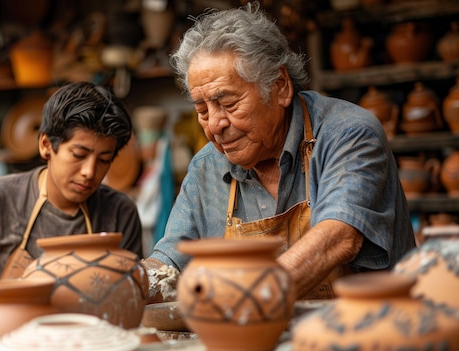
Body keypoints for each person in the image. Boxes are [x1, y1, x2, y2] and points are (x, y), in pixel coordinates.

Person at [142, 2, 415, 301]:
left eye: (229, 104)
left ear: (280, 86)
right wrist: (128, 281)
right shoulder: (207, 167)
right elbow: (168, 266)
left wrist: (247, 304)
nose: (215, 124)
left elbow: (338, 238)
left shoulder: (347, 133)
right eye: (202, 109)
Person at [0, 82, 143, 285]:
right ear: (46, 145)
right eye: (78, 154)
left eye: (103, 160)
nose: (89, 172)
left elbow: (133, 286)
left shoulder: (121, 212)